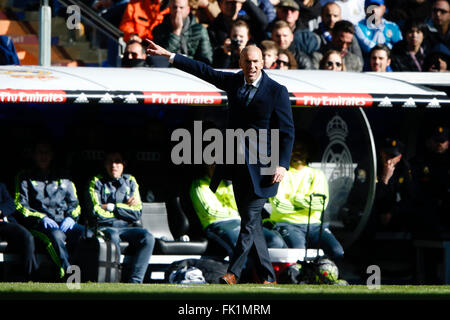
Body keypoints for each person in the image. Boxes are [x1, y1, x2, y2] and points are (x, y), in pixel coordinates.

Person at [146, 41, 295, 285]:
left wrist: (282, 164)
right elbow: (204, 70)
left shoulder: (277, 91)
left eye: (256, 61)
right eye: (247, 61)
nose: (252, 66)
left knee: (248, 220)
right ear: (240, 63)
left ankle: (233, 273)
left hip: (266, 167)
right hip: (238, 166)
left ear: (263, 63)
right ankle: (268, 278)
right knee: (252, 223)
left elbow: (287, 131)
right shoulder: (234, 82)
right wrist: (171, 56)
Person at [14, 140, 87, 280]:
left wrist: (71, 217)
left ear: (52, 155)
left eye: (46, 152)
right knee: (56, 236)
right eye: (40, 152)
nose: (43, 156)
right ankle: (68, 275)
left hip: (64, 221)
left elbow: (75, 204)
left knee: (87, 234)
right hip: (39, 225)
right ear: (34, 155)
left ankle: (88, 273)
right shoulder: (24, 177)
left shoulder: (64, 176)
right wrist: (41, 218)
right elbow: (19, 205)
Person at [266, 138, 344, 261]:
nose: (298, 152)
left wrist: (292, 197)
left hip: (315, 226)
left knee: (337, 251)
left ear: (308, 152)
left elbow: (321, 204)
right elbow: (279, 205)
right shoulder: (280, 173)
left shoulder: (317, 175)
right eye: (294, 149)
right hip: (288, 224)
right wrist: (307, 203)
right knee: (299, 255)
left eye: (302, 149)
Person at [88, 149, 154, 283]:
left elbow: (137, 212)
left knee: (148, 237)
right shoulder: (96, 181)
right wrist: (125, 208)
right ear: (105, 164)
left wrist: (112, 207)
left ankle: (135, 282)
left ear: (124, 164)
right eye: (110, 162)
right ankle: (115, 279)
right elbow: (96, 212)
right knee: (113, 235)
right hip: (104, 227)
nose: (113, 165)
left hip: (126, 227)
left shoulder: (130, 181)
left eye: (117, 162)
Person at [190, 164, 285, 258]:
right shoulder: (199, 185)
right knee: (241, 245)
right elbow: (211, 211)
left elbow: (242, 205)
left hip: (240, 222)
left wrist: (231, 185)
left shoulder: (229, 184)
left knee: (275, 240)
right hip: (218, 224)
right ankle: (242, 272)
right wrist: (237, 212)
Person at [411, 125, 449, 239]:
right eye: (436, 141)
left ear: (448, 143)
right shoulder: (420, 161)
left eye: (442, 141)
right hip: (427, 209)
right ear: (430, 142)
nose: (439, 144)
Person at [152, 0, 213, 65]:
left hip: (191, 71)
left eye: (181, 8)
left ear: (188, 10)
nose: (178, 11)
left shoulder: (199, 30)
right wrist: (176, 31)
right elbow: (161, 59)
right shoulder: (159, 29)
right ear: (170, 8)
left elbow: (206, 60)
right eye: (175, 7)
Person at [0, 182, 37, 281]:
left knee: (27, 236)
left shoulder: (1, 185)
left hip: (5, 223)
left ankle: (29, 276)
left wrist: (0, 211)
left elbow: (11, 203)